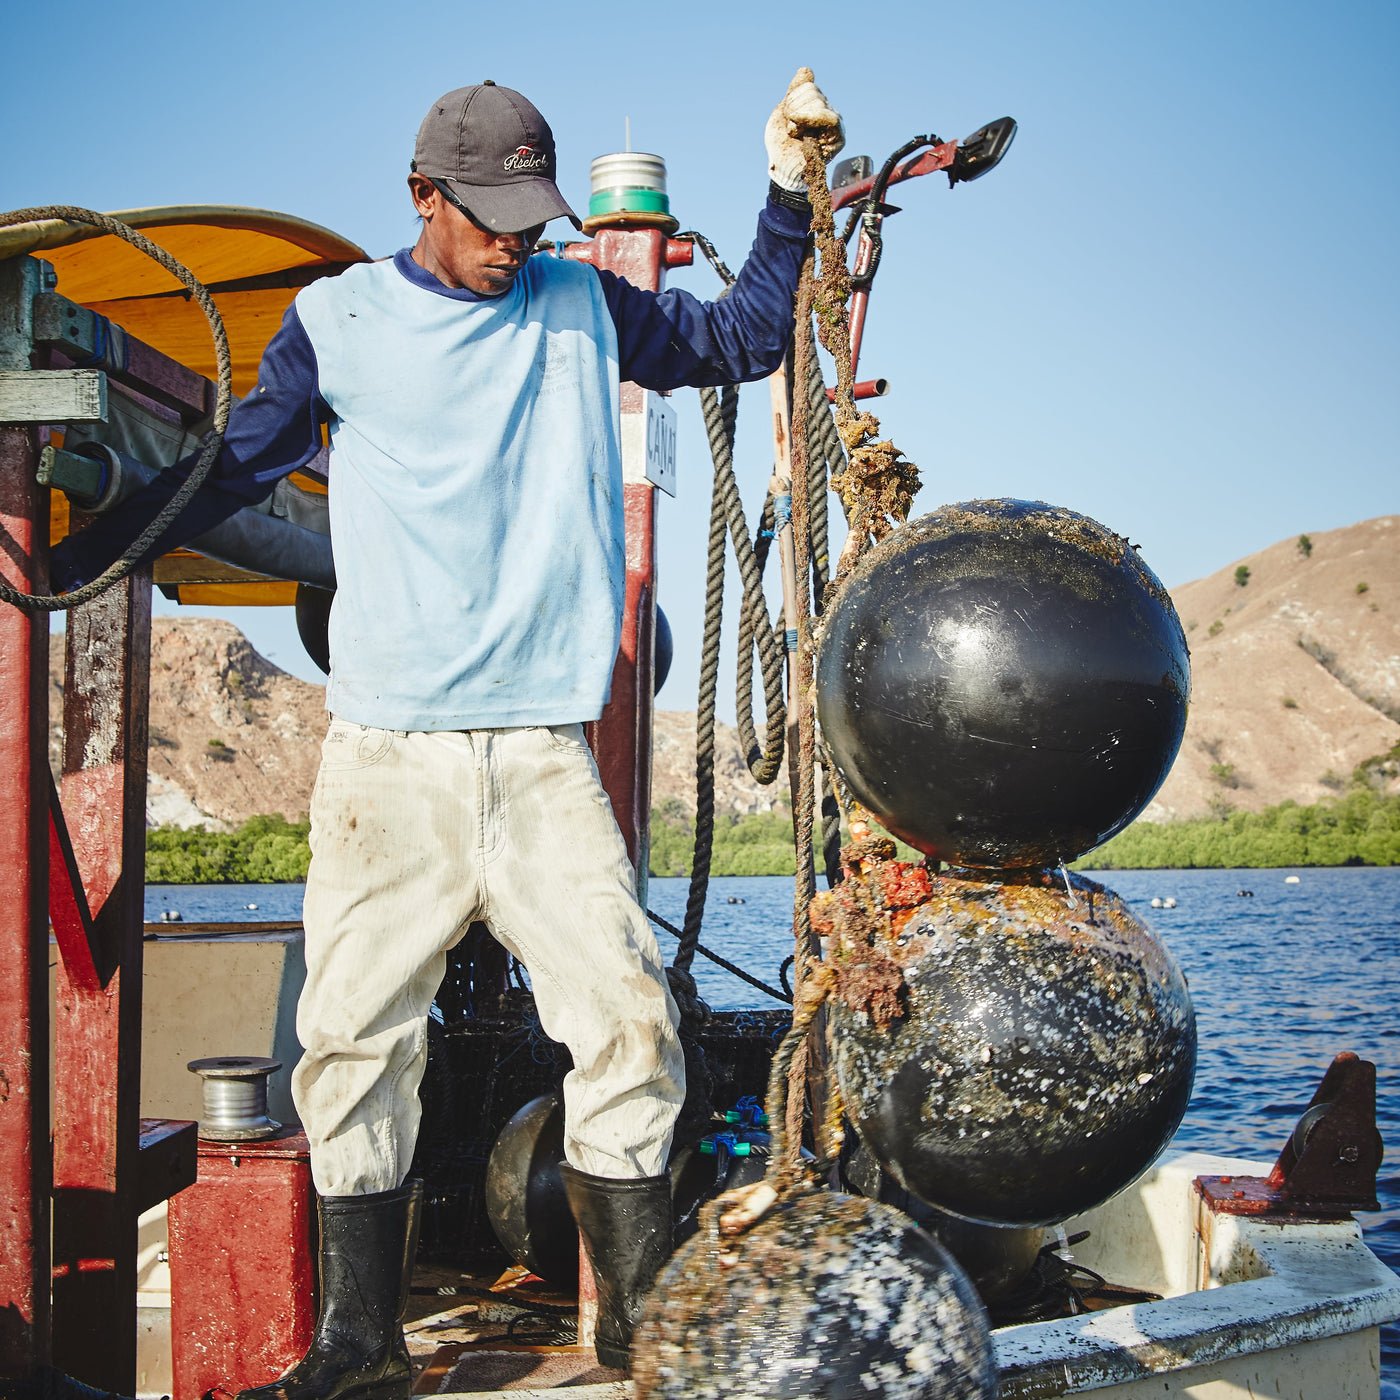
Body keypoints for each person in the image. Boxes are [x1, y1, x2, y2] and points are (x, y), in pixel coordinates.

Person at [52, 71, 844, 1398]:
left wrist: (787, 183)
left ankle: (630, 1325)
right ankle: (361, 1344)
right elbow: (228, 469)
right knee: (354, 1042)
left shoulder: (584, 304)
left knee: (631, 1025)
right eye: (489, 218)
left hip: (541, 757)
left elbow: (745, 339)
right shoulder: (336, 322)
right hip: (387, 761)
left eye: (534, 217)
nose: (517, 242)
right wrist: (84, 539)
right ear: (423, 198)